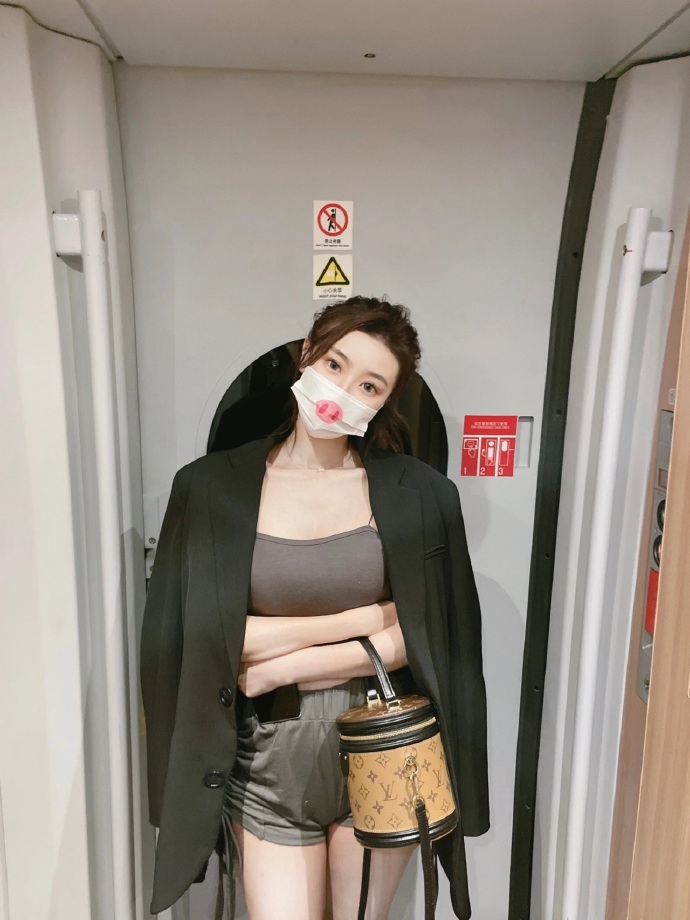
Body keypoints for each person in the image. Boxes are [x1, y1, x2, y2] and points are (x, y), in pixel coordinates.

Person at [140, 296, 489, 920]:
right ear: (308, 354)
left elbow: (430, 638)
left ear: (384, 401)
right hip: (266, 758)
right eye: (335, 364)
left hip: (384, 746)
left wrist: (279, 666)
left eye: (369, 385)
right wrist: (363, 621)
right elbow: (205, 639)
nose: (341, 393)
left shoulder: (422, 494)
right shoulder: (210, 487)